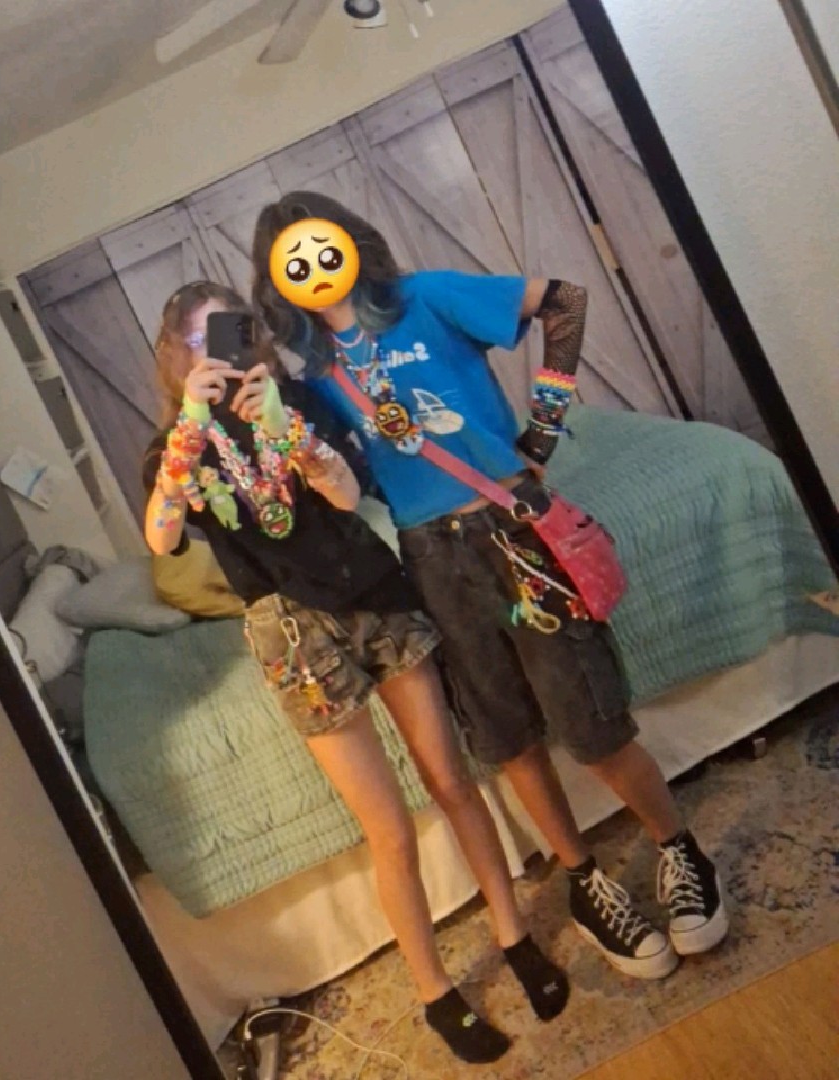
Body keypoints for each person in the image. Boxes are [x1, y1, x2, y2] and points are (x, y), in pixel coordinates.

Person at [251, 192, 729, 981]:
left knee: (591, 722)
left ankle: (679, 850)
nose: (312, 266)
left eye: (319, 245)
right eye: (290, 262)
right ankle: (584, 881)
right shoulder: (314, 376)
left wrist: (542, 429)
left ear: (349, 240)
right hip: (428, 560)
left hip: (512, 532)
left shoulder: (427, 297)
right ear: (277, 282)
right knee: (507, 739)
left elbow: (565, 300)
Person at [143, 281, 570, 1064]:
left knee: (452, 781)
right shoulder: (179, 445)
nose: (221, 355)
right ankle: (436, 994)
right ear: (177, 355)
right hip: (292, 632)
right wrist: (193, 423)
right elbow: (162, 536)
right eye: (201, 343)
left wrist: (290, 431)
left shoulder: (298, 400)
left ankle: (514, 936)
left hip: (375, 595)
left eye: (230, 334)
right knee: (388, 827)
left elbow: (344, 495)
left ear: (253, 336)